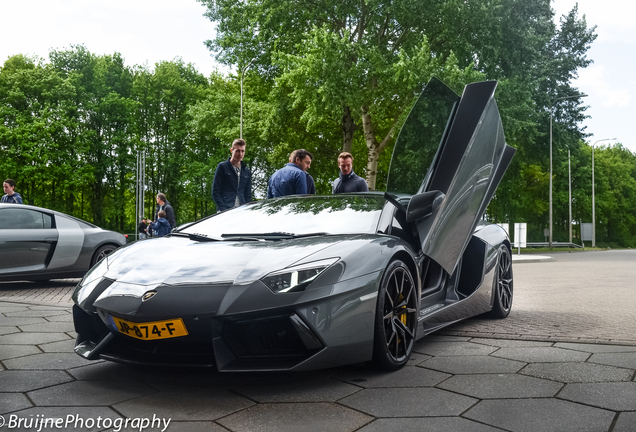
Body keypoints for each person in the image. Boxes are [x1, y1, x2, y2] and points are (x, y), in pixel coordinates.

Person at [212, 138, 252, 212]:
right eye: (237, 151)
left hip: (241, 210)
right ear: (231, 150)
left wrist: (247, 210)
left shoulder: (247, 171)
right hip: (224, 210)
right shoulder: (222, 167)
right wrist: (223, 210)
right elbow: (215, 192)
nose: (240, 154)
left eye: (243, 151)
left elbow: (248, 194)